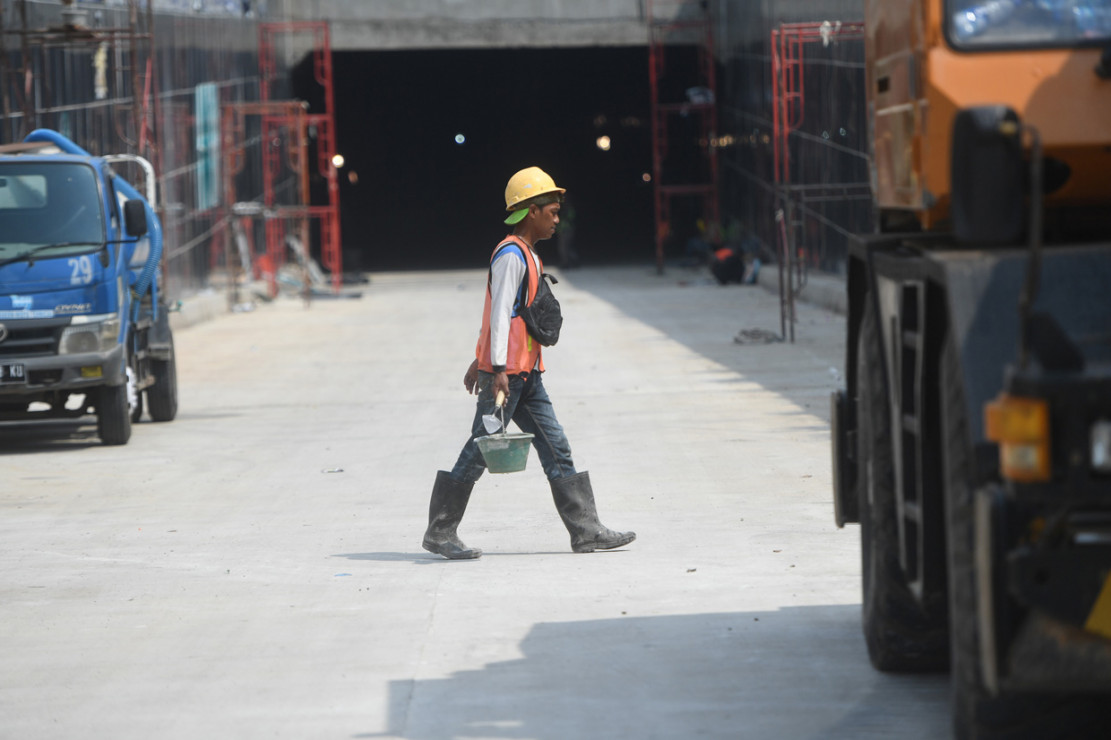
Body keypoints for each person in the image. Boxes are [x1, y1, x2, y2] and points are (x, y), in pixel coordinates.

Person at [422, 166, 636, 560]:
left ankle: (586, 531)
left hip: (526, 377)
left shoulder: (528, 256)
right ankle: (440, 531)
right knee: (480, 448)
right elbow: (500, 313)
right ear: (530, 211)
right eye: (551, 211)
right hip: (508, 378)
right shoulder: (511, 256)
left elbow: (509, 316)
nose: (557, 219)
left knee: (557, 447)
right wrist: (495, 367)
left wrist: (483, 359)